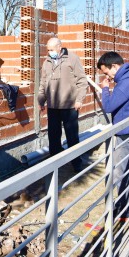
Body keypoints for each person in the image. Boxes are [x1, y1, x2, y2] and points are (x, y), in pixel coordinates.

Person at [97, 52, 129, 219]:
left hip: (126, 133)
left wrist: (105, 88)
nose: (107, 76)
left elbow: (109, 106)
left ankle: (126, 209)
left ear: (115, 66)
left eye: (106, 72)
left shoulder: (125, 84)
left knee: (120, 171)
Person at [38, 37, 89, 172]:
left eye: (52, 49)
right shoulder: (47, 62)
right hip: (53, 106)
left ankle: (76, 163)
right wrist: (41, 100)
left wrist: (79, 99)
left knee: (72, 136)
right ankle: (56, 164)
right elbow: (43, 82)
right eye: (48, 50)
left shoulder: (72, 59)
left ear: (59, 47)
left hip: (70, 105)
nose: (49, 52)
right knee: (53, 136)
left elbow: (82, 81)